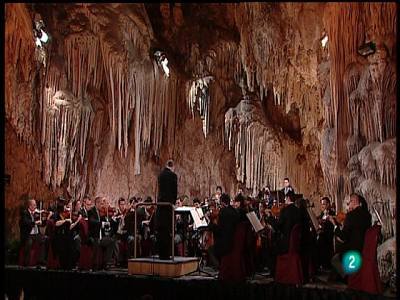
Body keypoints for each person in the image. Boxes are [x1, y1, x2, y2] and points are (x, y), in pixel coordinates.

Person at [329, 193, 372, 279]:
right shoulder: (367, 215)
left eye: (349, 203)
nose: (348, 205)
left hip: (353, 251)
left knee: (334, 258)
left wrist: (335, 225)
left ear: (353, 201)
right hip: (363, 248)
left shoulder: (351, 215)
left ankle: (347, 278)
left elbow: (344, 237)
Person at [266, 191, 301, 276]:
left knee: (269, 248)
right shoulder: (298, 211)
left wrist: (269, 217)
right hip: (296, 244)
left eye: (285, 198)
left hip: (286, 244)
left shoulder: (285, 210)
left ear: (288, 198)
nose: (284, 200)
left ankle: (275, 273)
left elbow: (277, 226)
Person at [207, 193, 240, 269]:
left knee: (210, 250)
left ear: (222, 202)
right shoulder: (235, 212)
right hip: (234, 241)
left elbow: (219, 230)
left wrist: (211, 225)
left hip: (225, 244)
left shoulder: (223, 212)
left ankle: (220, 268)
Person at [156, 159, 178, 259]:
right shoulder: (173, 176)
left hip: (160, 206)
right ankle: (167, 255)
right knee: (168, 230)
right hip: (168, 206)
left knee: (161, 231)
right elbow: (174, 191)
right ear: (172, 166)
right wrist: (173, 203)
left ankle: (161, 254)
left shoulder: (160, 175)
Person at [19, 197, 46, 266]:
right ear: (30, 206)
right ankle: (27, 263)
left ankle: (40, 261)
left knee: (44, 239)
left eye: (36, 205)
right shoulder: (25, 213)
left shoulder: (36, 213)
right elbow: (26, 222)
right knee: (29, 243)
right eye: (34, 205)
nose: (35, 206)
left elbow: (42, 224)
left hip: (36, 234)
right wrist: (35, 222)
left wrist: (43, 218)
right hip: (28, 234)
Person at [316, 197, 335, 270]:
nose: (322, 206)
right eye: (322, 204)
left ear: (328, 204)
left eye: (324, 204)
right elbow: (319, 219)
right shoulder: (322, 214)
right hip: (322, 233)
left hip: (328, 235)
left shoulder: (332, 213)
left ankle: (324, 264)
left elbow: (331, 225)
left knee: (320, 240)